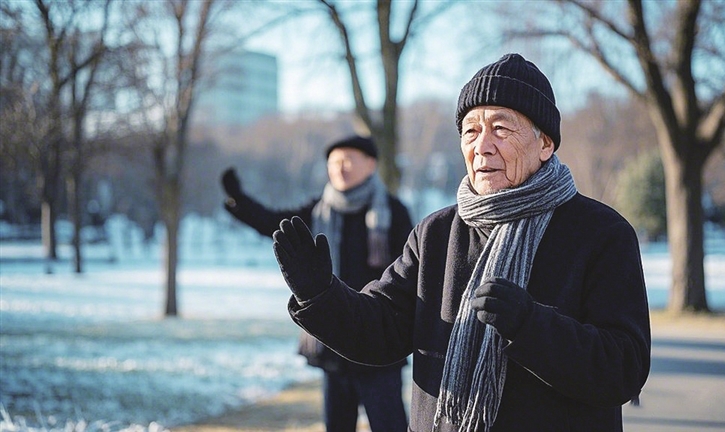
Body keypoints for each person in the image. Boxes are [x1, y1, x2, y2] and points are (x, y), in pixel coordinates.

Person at [272, 53, 651, 431]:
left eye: (501, 129)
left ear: (545, 144)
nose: (482, 145)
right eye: (471, 131)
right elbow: (379, 331)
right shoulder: (435, 233)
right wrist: (320, 295)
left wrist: (530, 324)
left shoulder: (601, 233)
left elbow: (624, 369)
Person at [221, 135, 412, 432]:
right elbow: (275, 224)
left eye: (348, 160)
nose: (340, 168)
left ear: (371, 164)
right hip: (333, 343)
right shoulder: (319, 210)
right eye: (333, 162)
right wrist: (240, 200)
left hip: (379, 345)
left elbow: (409, 275)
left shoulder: (393, 212)